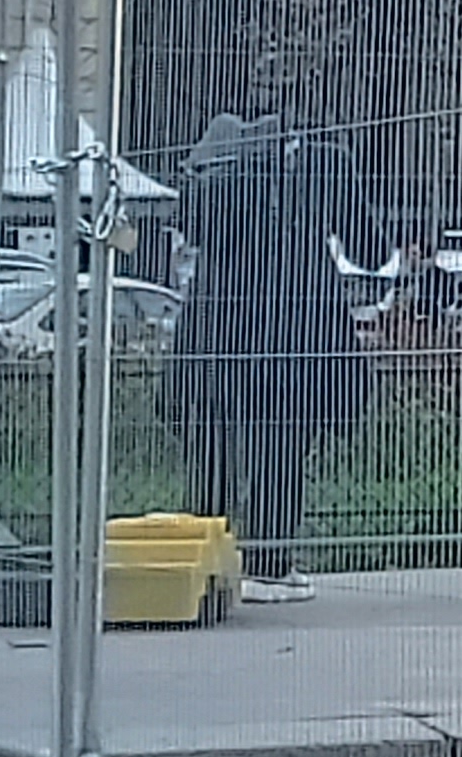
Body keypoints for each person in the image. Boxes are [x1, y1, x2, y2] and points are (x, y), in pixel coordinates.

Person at [156, 113, 378, 605]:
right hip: (296, 323)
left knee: (212, 440)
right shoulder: (327, 164)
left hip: (219, 325)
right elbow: (368, 246)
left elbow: (188, 230)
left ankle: (207, 562)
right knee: (283, 441)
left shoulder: (220, 167)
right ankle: (271, 561)